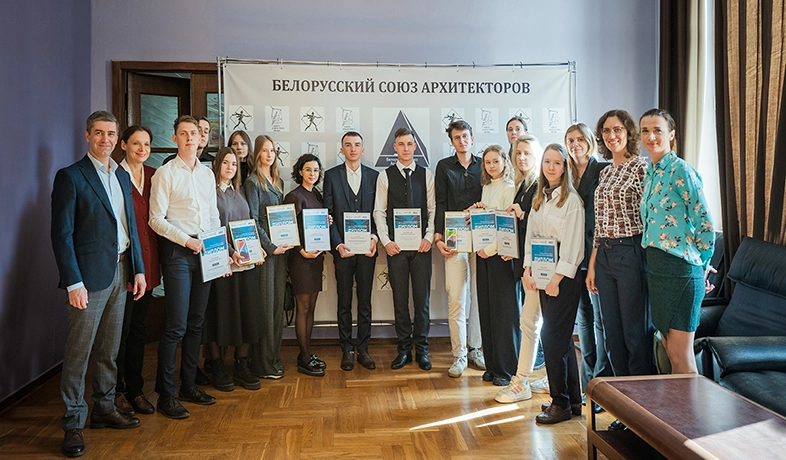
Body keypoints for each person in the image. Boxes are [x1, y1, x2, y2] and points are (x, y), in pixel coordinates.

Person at [52, 111, 145, 457]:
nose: (105, 139)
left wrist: (138, 269)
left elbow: (129, 225)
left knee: (109, 349)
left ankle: (104, 408)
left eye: (110, 134)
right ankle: (73, 422)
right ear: (87, 136)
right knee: (79, 352)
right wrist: (73, 282)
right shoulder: (71, 176)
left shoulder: (121, 175)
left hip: (121, 272)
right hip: (87, 280)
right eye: (99, 133)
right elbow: (62, 235)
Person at [149, 115, 220, 419]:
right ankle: (166, 395)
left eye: (194, 133)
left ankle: (188, 386)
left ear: (201, 138)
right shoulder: (165, 173)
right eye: (184, 133)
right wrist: (186, 241)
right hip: (178, 252)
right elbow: (155, 219)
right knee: (176, 325)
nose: (190, 138)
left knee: (196, 322)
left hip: (205, 251)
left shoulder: (207, 174)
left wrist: (218, 252)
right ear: (175, 138)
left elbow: (214, 215)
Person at [587, 110, 654, 431]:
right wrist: (592, 265)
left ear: (628, 132)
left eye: (616, 129)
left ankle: (643, 413)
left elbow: (651, 216)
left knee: (634, 335)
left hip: (631, 252)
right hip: (605, 257)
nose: (611, 136)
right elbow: (600, 226)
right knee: (612, 336)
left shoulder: (642, 167)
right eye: (605, 131)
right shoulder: (605, 173)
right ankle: (624, 411)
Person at [639, 108, 715, 374]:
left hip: (681, 270)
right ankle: (679, 402)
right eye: (645, 131)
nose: (651, 137)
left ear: (671, 134)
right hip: (657, 268)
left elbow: (704, 221)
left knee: (681, 355)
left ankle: (693, 404)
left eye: (657, 130)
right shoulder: (651, 172)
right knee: (669, 349)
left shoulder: (681, 170)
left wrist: (703, 264)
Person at [523, 143, 585, 424]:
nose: (551, 167)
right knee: (561, 340)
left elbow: (573, 247)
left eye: (557, 163)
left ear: (564, 167)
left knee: (551, 338)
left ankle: (559, 403)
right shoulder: (539, 199)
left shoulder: (571, 201)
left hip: (563, 278)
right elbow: (531, 237)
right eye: (547, 162)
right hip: (542, 274)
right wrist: (528, 270)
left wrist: (556, 279)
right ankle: (573, 401)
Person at [202, 147, 265, 391]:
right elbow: (210, 229)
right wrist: (229, 253)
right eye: (226, 163)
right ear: (217, 164)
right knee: (219, 316)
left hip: (245, 264)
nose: (230, 167)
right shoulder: (210, 193)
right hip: (222, 264)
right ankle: (217, 365)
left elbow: (247, 226)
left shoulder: (239, 192)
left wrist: (256, 250)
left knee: (248, 314)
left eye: (234, 164)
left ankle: (241, 364)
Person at [373, 127, 436, 371]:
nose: (406, 148)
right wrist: (386, 240)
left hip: (422, 248)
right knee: (400, 301)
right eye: (401, 144)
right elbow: (379, 211)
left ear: (415, 147)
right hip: (396, 249)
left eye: (410, 144)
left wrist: (429, 237)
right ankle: (403, 351)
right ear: (395, 147)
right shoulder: (385, 176)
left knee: (422, 302)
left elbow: (432, 210)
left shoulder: (426, 175)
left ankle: (422, 351)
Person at [495, 135, 546, 403]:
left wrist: (523, 215)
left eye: (527, 153)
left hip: (542, 265)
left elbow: (540, 225)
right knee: (531, 321)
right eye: (518, 153)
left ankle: (525, 380)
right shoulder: (523, 185)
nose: (522, 157)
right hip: (529, 264)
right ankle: (530, 379)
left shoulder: (540, 185)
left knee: (534, 322)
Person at [565, 123, 612, 411]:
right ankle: (587, 384)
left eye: (580, 139)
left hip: (599, 255)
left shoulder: (604, 170)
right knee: (582, 321)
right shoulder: (566, 175)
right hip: (574, 255)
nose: (575, 144)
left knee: (600, 321)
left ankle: (602, 383)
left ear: (590, 141)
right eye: (570, 140)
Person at [323, 131, 379, 371]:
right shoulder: (331, 176)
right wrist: (337, 244)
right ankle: (346, 349)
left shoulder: (375, 177)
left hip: (367, 251)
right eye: (348, 145)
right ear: (342, 149)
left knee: (365, 302)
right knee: (344, 301)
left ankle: (363, 349)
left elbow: (379, 213)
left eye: (357, 145)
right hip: (343, 251)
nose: (353, 148)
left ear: (363, 149)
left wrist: (374, 239)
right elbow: (328, 215)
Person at [433, 120, 485, 379]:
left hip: (481, 236)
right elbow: (440, 202)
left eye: (465, 136)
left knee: (478, 297)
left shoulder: (484, 165)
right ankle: (459, 354)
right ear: (451, 141)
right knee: (456, 297)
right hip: (453, 236)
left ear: (472, 138)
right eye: (457, 137)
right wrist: (438, 236)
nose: (462, 141)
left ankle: (476, 349)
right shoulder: (444, 166)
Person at [115, 125, 160, 417]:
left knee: (139, 330)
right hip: (125, 266)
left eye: (146, 144)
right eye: (135, 144)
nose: (142, 149)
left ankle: (135, 389)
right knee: (119, 332)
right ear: (123, 145)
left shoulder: (155, 175)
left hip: (150, 262)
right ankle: (115, 391)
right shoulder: (114, 175)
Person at [470, 145, 520, 387]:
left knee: (504, 315)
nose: (491, 166)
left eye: (495, 161)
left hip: (501, 256)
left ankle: (506, 369)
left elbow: (507, 226)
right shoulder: (487, 187)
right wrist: (477, 211)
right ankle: (492, 365)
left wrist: (489, 250)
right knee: (487, 310)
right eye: (487, 162)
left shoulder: (510, 188)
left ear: (504, 162)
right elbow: (486, 222)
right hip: (484, 255)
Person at [245, 135, 292, 380]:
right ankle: (262, 364)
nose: (269, 154)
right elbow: (253, 220)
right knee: (265, 306)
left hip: (281, 252)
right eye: (264, 150)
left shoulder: (279, 181)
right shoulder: (253, 182)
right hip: (267, 253)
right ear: (257, 154)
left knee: (277, 308)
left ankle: (274, 358)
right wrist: (270, 246)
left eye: (272, 150)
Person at [284, 153, 329, 376]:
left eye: (316, 170)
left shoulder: (317, 195)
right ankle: (303, 357)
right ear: (300, 171)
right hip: (301, 259)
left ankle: (307, 353)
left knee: (311, 307)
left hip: (315, 259)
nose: (313, 174)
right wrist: (302, 251)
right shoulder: (294, 196)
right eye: (308, 169)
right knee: (302, 308)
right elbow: (287, 229)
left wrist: (327, 221)